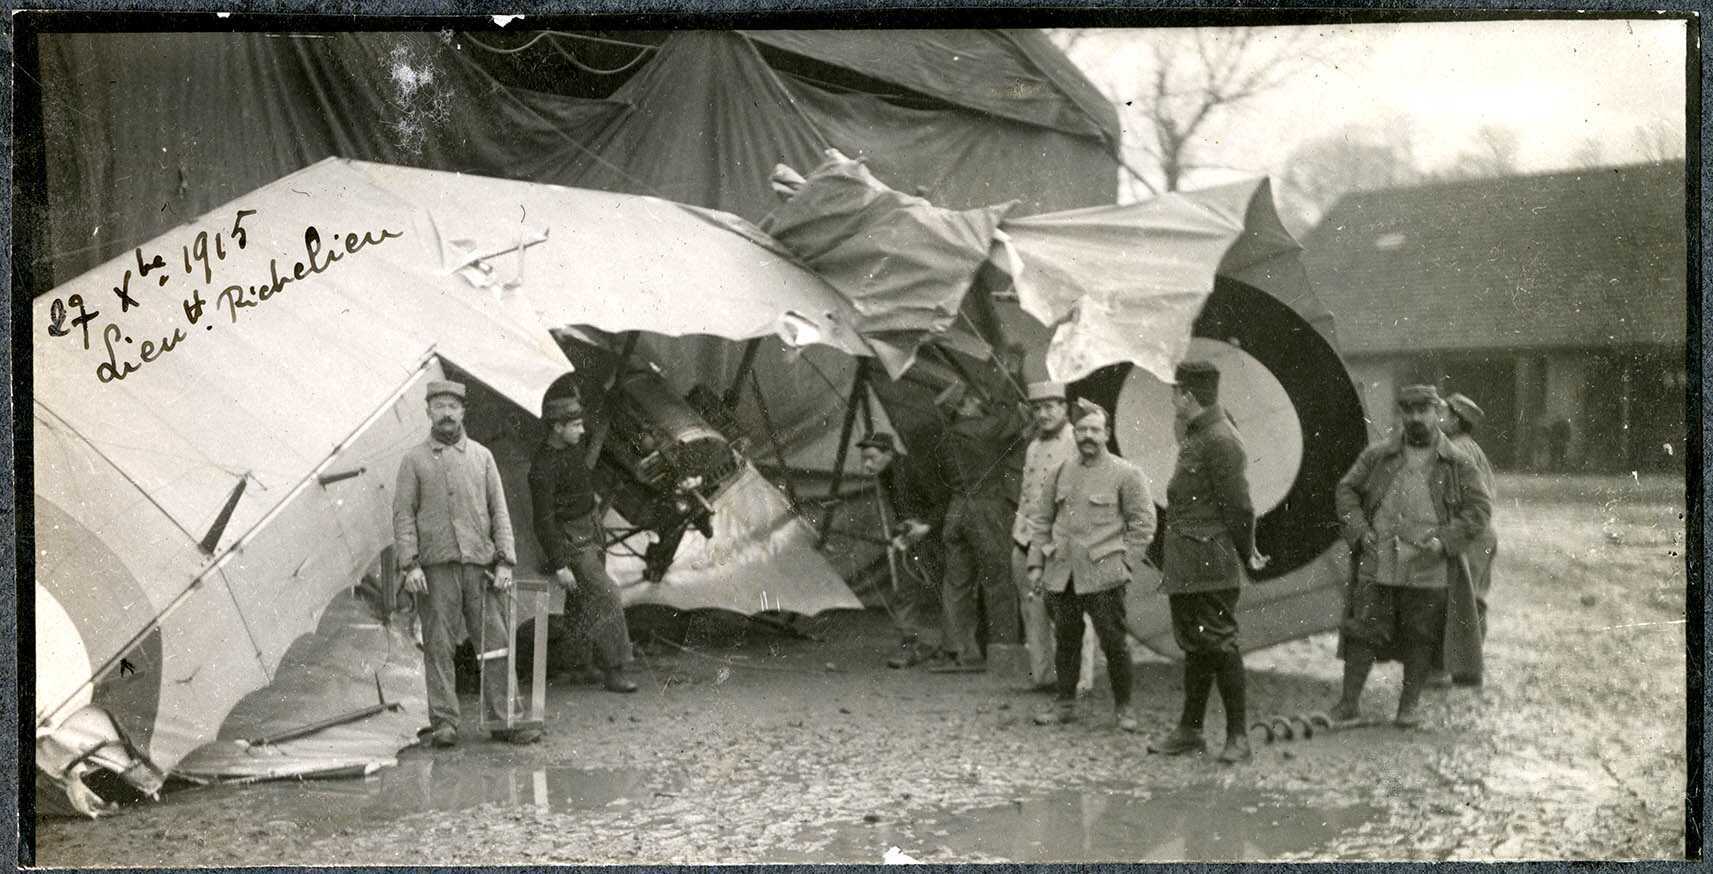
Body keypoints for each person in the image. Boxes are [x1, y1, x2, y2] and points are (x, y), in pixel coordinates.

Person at [1331, 384, 1492, 728]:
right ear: (1401, 414)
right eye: (1409, 411)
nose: (1416, 418)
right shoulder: (1377, 457)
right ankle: (1348, 706)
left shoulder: (1458, 462)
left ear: (1437, 412)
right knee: (1362, 630)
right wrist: (1359, 530)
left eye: (1424, 410)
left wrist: (1446, 541)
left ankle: (1408, 708)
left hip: (1429, 566)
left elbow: (1479, 509)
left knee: (1421, 635)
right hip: (1380, 561)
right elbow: (1346, 490)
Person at [392, 379, 538, 747]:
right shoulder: (413, 461)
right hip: (436, 569)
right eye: (438, 406)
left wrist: (506, 561)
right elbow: (403, 516)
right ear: (428, 411)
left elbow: (499, 512)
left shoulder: (483, 457)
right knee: (439, 646)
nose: (446, 413)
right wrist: (409, 565)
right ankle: (444, 722)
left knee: (495, 643)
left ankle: (504, 719)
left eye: (452, 406)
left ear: (463, 412)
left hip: (482, 566)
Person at [1147, 361, 1268, 764]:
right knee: (1197, 645)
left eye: (1175, 394)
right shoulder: (1199, 435)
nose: (1172, 401)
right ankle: (1189, 731)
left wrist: (1246, 549)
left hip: (1210, 561)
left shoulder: (1220, 439)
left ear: (1188, 396)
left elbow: (1240, 506)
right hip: (1187, 561)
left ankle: (1238, 736)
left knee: (1217, 641)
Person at [1026, 399, 1157, 731]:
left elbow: (1143, 523)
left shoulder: (1126, 473)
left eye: (1094, 430)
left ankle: (1124, 709)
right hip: (1064, 573)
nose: (1087, 436)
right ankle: (1065, 704)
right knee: (1067, 640)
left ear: (1107, 434)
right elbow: (1041, 520)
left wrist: (1125, 563)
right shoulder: (1060, 472)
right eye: (1082, 429)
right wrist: (1036, 565)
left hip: (1104, 574)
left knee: (1113, 642)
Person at [527, 394, 639, 694]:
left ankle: (578, 663)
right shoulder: (543, 468)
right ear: (556, 428)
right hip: (571, 541)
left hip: (591, 528)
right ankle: (614, 670)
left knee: (582, 599)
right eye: (575, 425)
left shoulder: (572, 448)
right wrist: (561, 563)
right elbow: (544, 522)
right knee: (606, 594)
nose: (581, 430)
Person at [929, 381, 1029, 673]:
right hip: (985, 510)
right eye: (973, 399)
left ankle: (955, 651)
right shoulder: (981, 430)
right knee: (998, 579)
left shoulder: (948, 436)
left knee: (956, 582)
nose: (978, 402)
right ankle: (1003, 651)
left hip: (956, 509)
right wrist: (1009, 379)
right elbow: (1015, 418)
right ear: (962, 407)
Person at [1011, 381, 1099, 693]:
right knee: (1032, 605)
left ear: (1064, 408)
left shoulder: (1078, 440)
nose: (1043, 414)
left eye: (1051, 407)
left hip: (1062, 538)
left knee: (1072, 609)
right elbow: (1027, 494)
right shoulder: (1034, 446)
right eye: (1038, 408)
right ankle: (1044, 674)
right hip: (1027, 537)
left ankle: (1081, 678)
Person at [858, 431, 953, 669]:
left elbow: (946, 502)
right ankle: (910, 643)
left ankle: (952, 647)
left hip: (937, 536)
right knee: (906, 591)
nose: (867, 464)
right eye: (864, 459)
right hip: (912, 537)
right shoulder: (885, 474)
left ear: (889, 453)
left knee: (948, 590)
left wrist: (926, 526)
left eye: (872, 457)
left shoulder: (914, 469)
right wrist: (904, 527)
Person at [1432, 392, 1499, 687]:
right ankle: (1466, 669)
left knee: (1462, 601)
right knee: (1473, 600)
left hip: (1470, 534)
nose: (1438, 419)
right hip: (1480, 533)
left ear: (1456, 420)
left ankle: (1463, 669)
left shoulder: (1458, 451)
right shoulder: (1472, 448)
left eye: (1443, 414)